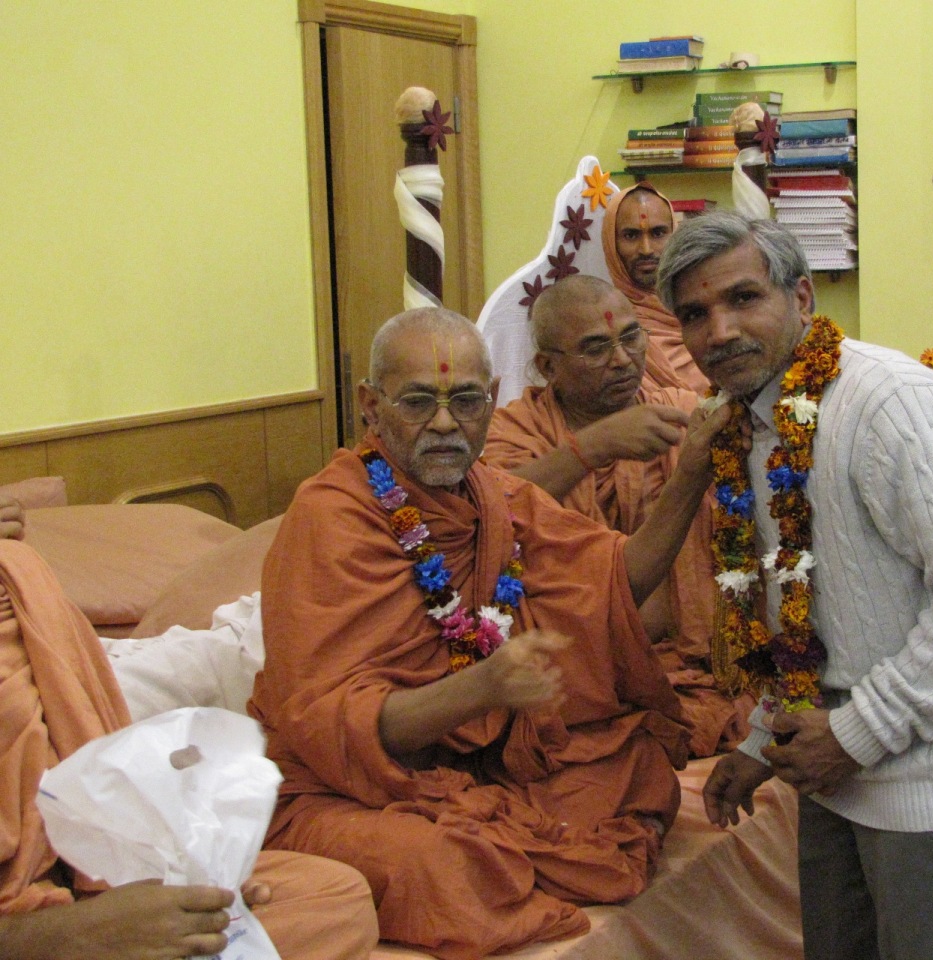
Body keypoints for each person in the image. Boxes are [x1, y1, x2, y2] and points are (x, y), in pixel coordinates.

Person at [248, 306, 731, 960]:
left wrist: (694, 469)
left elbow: (617, 583)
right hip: (354, 783)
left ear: (491, 401)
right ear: (370, 406)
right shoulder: (330, 516)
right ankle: (501, 869)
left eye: (467, 401)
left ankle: (510, 853)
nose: (446, 423)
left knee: (638, 767)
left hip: (481, 761)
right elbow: (326, 721)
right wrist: (483, 687)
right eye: (418, 401)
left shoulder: (494, 495)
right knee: (441, 867)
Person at [657, 211, 933, 960]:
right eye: (695, 314)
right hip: (836, 780)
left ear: (802, 298)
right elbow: (812, 618)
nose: (719, 331)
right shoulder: (748, 422)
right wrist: (765, 741)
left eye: (743, 299)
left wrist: (859, 735)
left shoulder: (891, 404)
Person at [0, 539, 379, 960]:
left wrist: (175, 882)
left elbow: (80, 776)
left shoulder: (19, 574)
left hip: (73, 885)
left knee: (330, 898)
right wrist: (67, 937)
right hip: (34, 933)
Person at [485, 274, 751, 757]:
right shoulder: (517, 432)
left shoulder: (682, 412)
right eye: (595, 348)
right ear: (547, 366)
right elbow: (491, 514)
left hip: (690, 663)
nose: (623, 359)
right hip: (578, 676)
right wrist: (592, 446)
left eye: (631, 337)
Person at [602, 181, 710, 394]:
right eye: (631, 235)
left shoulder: (705, 307)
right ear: (611, 244)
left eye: (658, 233)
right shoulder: (608, 327)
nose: (646, 249)